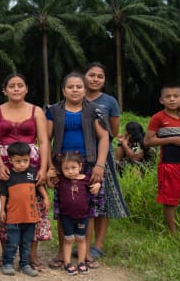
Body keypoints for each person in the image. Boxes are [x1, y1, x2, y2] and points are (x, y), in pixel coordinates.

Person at [45, 72, 110, 270]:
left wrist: (99, 165)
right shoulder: (54, 111)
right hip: (61, 166)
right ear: (63, 90)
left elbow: (104, 137)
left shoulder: (94, 110)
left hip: (88, 166)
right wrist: (49, 167)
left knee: (86, 209)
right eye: (70, 87)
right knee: (63, 208)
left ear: (84, 89)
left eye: (79, 87)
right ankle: (60, 252)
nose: (75, 90)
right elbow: (46, 139)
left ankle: (86, 253)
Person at [0, 73, 50, 271]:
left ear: (26, 89)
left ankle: (31, 256)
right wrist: (0, 165)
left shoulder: (36, 111)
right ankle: (6, 254)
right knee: (6, 207)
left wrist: (43, 168)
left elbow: (44, 140)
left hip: (31, 163)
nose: (15, 88)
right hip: (3, 163)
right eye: (11, 86)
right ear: (4, 90)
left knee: (33, 205)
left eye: (19, 85)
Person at [83, 62, 129, 263]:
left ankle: (98, 245)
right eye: (91, 75)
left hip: (103, 156)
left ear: (104, 80)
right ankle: (81, 243)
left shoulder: (109, 101)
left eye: (99, 76)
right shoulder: (75, 96)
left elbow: (114, 131)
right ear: (84, 76)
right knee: (79, 201)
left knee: (102, 201)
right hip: (77, 155)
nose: (95, 79)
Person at [144, 83, 180, 235]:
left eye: (176, 96)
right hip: (170, 166)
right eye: (168, 97)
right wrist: (171, 140)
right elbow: (148, 141)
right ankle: (173, 234)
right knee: (170, 201)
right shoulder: (158, 118)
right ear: (161, 100)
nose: (172, 99)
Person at [0, 142, 47, 277]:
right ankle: (8, 263)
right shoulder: (7, 175)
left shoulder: (32, 172)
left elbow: (39, 186)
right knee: (12, 242)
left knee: (26, 243)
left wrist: (45, 198)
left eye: (25, 160)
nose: (22, 164)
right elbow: (3, 194)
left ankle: (24, 264)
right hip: (13, 216)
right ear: (10, 160)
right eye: (18, 161)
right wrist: (2, 210)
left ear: (29, 158)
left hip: (30, 215)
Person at [52, 151, 101, 275]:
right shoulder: (61, 180)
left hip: (83, 216)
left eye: (73, 168)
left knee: (81, 238)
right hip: (66, 216)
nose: (70, 171)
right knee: (68, 239)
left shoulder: (86, 179)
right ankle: (67, 263)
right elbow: (50, 184)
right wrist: (49, 175)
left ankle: (81, 262)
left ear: (80, 166)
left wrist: (98, 185)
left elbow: (96, 184)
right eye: (66, 168)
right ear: (61, 169)